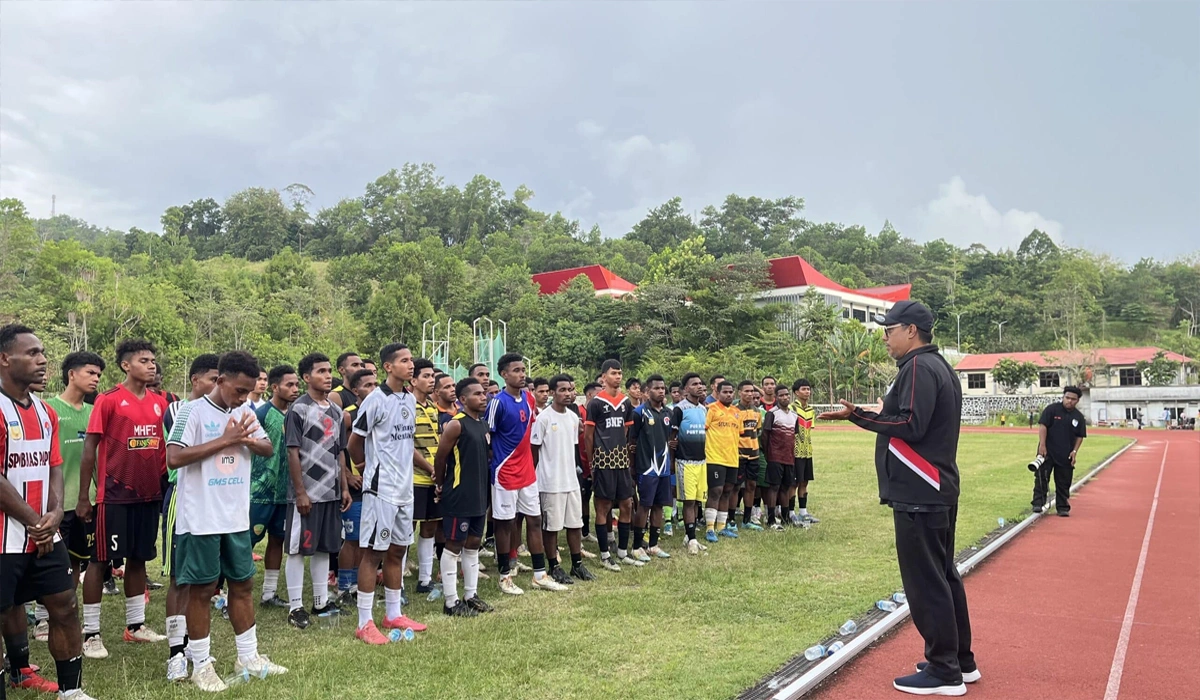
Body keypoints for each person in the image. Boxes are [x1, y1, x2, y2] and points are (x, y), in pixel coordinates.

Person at [819, 300, 976, 696]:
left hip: (921, 490)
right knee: (942, 575)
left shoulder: (920, 367)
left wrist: (858, 416)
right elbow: (910, 416)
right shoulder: (934, 367)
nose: (885, 338)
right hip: (933, 488)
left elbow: (910, 423)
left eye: (889, 330)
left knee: (926, 581)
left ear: (910, 330)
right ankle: (960, 659)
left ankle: (944, 670)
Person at [166, 351, 287, 691]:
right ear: (220, 381)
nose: (243, 397)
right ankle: (201, 664)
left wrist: (247, 439)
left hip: (235, 515)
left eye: (248, 392)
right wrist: (226, 440)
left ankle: (248, 655)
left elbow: (265, 447)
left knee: (243, 584)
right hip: (201, 517)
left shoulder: (245, 411)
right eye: (238, 390)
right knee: (203, 590)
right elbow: (173, 458)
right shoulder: (192, 411)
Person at [0, 325, 98, 699]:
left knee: (63, 604)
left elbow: (53, 465)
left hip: (43, 530)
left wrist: (55, 513)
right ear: (5, 358)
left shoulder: (44, 411)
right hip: (7, 533)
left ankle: (70, 692)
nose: (43, 360)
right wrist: (33, 520)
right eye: (33, 353)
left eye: (43, 353)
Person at [77, 339, 168, 659]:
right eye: (144, 360)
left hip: (149, 495)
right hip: (114, 496)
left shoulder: (159, 402)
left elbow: (159, 448)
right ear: (127, 366)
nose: (152, 365)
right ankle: (90, 634)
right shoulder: (108, 400)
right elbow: (90, 448)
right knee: (99, 562)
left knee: (140, 558)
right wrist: (84, 497)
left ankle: (135, 626)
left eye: (153, 360)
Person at [348, 343, 427, 645]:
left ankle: (393, 612)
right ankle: (364, 621)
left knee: (398, 550)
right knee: (373, 554)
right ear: (388, 367)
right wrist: (365, 467)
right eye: (404, 361)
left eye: (411, 361)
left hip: (405, 489)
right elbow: (355, 442)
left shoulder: (409, 399)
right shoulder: (374, 400)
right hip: (381, 490)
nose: (411, 365)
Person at [161, 353, 221, 682]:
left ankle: (195, 647)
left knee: (203, 580)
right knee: (179, 579)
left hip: (214, 501)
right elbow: (179, 455)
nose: (218, 385)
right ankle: (175, 651)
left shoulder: (227, 413)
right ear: (196, 380)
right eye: (213, 379)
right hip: (183, 501)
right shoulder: (179, 410)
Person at [38, 352, 105, 644]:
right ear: (72, 374)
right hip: (53, 503)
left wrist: (92, 496)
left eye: (99, 375)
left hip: (85, 501)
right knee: (49, 561)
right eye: (91, 372)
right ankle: (42, 618)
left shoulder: (94, 413)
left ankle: (66, 613)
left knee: (76, 561)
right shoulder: (48, 408)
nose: (96, 379)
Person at [487, 353, 564, 593]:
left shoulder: (530, 399)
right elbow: (487, 437)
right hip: (505, 472)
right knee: (505, 523)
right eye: (516, 370)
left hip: (527, 472)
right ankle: (504, 576)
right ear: (504, 374)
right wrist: (496, 464)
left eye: (523, 370)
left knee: (534, 519)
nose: (522, 374)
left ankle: (540, 574)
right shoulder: (498, 402)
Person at [282, 354, 350, 629]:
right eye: (320, 371)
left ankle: (321, 600)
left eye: (329, 370)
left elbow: (340, 452)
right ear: (306, 377)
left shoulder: (336, 412)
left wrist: (344, 486)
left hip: (331, 492)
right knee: (298, 549)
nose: (326, 375)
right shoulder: (297, 410)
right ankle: (295, 606)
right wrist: (300, 492)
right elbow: (292, 453)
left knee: (324, 547)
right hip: (307, 494)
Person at [433, 378, 494, 617]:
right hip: (459, 495)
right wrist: (439, 484)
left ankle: (470, 595)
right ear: (463, 399)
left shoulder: (483, 424)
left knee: (472, 546)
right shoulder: (456, 425)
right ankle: (450, 601)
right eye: (477, 394)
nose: (483, 397)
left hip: (480, 495)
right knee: (453, 547)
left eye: (484, 393)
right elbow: (440, 458)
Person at [531, 375, 594, 584]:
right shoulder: (544, 419)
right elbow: (534, 450)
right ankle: (554, 566)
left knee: (575, 524)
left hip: (571, 481)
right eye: (563, 390)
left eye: (571, 389)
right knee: (551, 527)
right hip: (550, 482)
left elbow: (573, 448)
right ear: (552, 393)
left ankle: (577, 564)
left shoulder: (573, 419)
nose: (568, 394)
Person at [250, 365, 299, 612]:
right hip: (259, 491)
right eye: (289, 385)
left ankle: (269, 593)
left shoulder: (296, 414)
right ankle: (222, 594)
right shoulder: (262, 413)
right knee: (244, 544)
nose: (294, 389)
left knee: (277, 541)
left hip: (286, 493)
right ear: (275, 387)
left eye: (297, 384)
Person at [585, 360, 639, 571]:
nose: (618, 377)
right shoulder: (596, 403)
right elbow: (588, 436)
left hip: (621, 460)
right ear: (603, 377)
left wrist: (623, 454)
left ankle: (623, 552)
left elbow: (626, 432)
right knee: (604, 506)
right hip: (603, 460)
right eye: (613, 373)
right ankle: (605, 555)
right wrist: (592, 461)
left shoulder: (626, 403)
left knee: (627, 503)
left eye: (620, 373)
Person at [336, 369, 376, 604]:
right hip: (355, 485)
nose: (373, 389)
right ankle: (343, 587)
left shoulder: (380, 410)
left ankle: (358, 585)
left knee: (367, 538)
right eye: (367, 385)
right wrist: (348, 474)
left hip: (375, 483)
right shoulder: (348, 415)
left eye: (375, 384)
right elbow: (336, 447)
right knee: (352, 537)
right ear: (355, 390)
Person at [410, 359, 445, 598]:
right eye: (425, 376)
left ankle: (425, 578)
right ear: (413, 380)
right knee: (406, 529)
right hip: (414, 478)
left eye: (433, 376)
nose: (431, 380)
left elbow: (438, 438)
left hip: (433, 476)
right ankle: (398, 578)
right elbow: (407, 445)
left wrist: (439, 468)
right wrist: (430, 468)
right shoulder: (407, 405)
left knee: (430, 527)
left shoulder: (432, 406)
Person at [628, 375, 673, 561]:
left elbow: (668, 439)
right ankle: (637, 546)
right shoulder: (639, 413)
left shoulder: (669, 413)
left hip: (664, 468)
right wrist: (632, 466)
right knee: (644, 506)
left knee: (658, 506)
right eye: (656, 388)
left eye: (663, 388)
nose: (661, 391)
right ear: (647, 391)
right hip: (646, 468)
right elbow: (632, 441)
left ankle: (653, 544)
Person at [1033, 386, 1086, 517]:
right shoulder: (1052, 410)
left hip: (1066, 454)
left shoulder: (1078, 417)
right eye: (1067, 398)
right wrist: (1042, 445)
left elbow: (1080, 436)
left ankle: (1062, 507)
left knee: (1064, 482)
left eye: (1073, 399)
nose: (1069, 401)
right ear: (1063, 397)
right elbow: (1043, 426)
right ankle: (1038, 503)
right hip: (1048, 451)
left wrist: (1074, 451)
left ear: (1077, 401)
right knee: (1042, 479)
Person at [671, 373, 709, 555]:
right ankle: (692, 539)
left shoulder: (703, 409)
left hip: (701, 461)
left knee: (697, 501)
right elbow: (672, 438)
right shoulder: (679, 409)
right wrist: (672, 461)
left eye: (700, 383)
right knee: (688, 501)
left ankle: (690, 534)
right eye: (694, 384)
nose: (699, 386)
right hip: (685, 461)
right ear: (685, 389)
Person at [703, 381, 740, 541]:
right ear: (717, 393)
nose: (729, 395)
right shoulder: (711, 409)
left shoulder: (736, 412)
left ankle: (722, 527)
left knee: (727, 492)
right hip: (714, 457)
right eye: (725, 392)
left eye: (731, 392)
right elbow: (703, 431)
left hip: (732, 459)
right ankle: (709, 528)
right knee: (715, 491)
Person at [761, 385, 796, 530]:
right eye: (781, 395)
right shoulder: (772, 414)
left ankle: (786, 517)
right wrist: (769, 454)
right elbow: (765, 435)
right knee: (774, 487)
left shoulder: (794, 415)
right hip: (775, 456)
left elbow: (794, 435)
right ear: (776, 397)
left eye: (787, 395)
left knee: (786, 487)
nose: (785, 397)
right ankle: (770, 518)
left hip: (789, 457)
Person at [734, 380, 764, 531]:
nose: (749, 394)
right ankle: (730, 520)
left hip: (754, 454)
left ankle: (747, 519)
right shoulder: (734, 410)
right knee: (735, 487)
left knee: (751, 485)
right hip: (738, 455)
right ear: (739, 392)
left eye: (751, 391)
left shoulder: (757, 411)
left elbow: (757, 431)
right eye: (746, 391)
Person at [790, 379, 818, 526]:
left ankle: (803, 512)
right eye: (803, 389)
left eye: (808, 389)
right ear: (796, 392)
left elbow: (809, 430)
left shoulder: (811, 410)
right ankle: (790, 513)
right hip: (795, 451)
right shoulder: (791, 408)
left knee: (804, 482)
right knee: (793, 483)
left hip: (807, 451)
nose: (807, 391)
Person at [577, 382, 601, 544]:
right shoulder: (579, 412)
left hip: (597, 461)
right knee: (582, 498)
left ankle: (587, 531)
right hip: (581, 462)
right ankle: (581, 530)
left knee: (595, 497)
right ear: (590, 395)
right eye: (599, 394)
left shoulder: (601, 412)